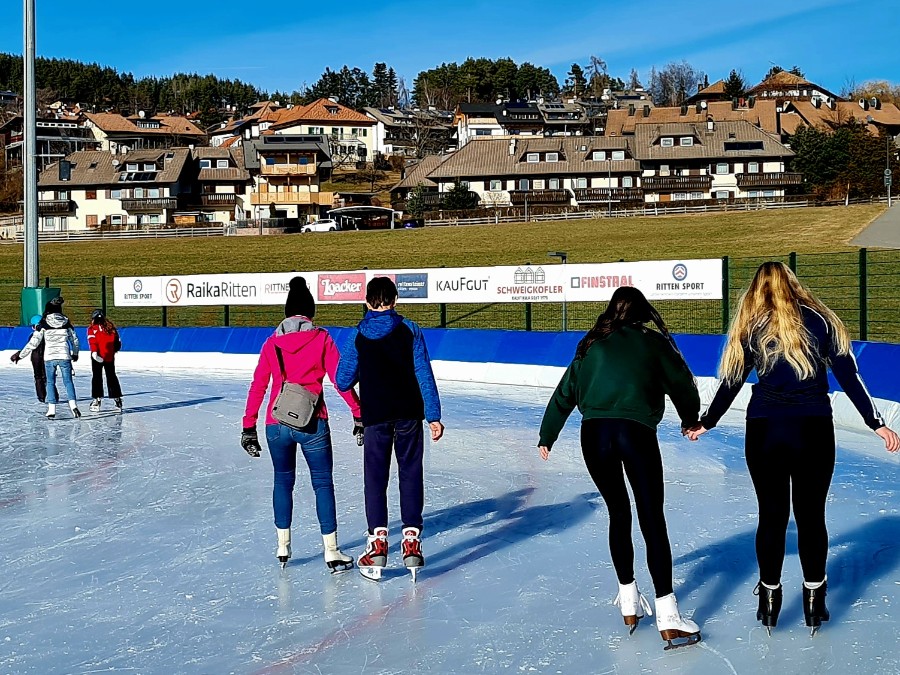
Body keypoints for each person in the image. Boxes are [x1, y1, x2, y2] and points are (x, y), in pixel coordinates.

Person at [686, 262, 899, 637]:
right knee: (811, 516)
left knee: (771, 516)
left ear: (757, 290)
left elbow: (731, 381)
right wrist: (875, 422)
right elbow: (850, 375)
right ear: (793, 284)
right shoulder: (821, 320)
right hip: (812, 429)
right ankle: (814, 601)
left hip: (765, 430)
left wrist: (708, 420)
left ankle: (769, 599)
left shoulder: (751, 326)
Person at [538, 286, 702, 650]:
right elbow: (681, 385)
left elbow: (566, 391)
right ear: (643, 312)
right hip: (635, 434)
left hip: (593, 436)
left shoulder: (591, 342)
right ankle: (668, 613)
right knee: (651, 517)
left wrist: (547, 434)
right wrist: (690, 419)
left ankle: (628, 601)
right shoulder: (653, 342)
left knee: (618, 513)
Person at [241, 276, 363, 573]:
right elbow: (340, 380)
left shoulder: (272, 343)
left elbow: (258, 385)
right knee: (322, 483)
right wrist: (359, 413)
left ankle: (283, 546)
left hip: (276, 422)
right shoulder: (322, 339)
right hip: (313, 422)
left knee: (283, 481)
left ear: (286, 312)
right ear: (311, 313)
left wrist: (248, 426)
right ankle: (331, 551)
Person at [335, 276, 444, 582]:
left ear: (368, 302)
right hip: (409, 414)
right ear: (395, 301)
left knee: (375, 479)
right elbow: (423, 372)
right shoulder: (410, 330)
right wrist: (433, 415)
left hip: (376, 417)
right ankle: (411, 541)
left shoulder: (358, 334)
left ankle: (378, 542)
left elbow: (343, 379)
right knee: (410, 473)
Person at [10, 296, 80, 419]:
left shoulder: (43, 323)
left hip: (50, 357)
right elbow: (74, 339)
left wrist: (20, 355)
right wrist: (75, 353)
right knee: (68, 382)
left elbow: (34, 342)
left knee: (50, 382)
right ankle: (73, 406)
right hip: (64, 355)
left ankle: (51, 410)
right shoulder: (66, 321)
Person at [12, 314, 59, 404]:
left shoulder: (33, 336)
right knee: (48, 377)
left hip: (36, 358)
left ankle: (41, 397)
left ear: (35, 326)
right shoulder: (50, 334)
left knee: (38, 377)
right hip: (47, 357)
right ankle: (54, 396)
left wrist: (20, 355)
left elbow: (29, 347)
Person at [87, 309, 123, 413]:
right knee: (111, 376)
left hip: (97, 356)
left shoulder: (92, 329)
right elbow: (118, 342)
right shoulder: (111, 328)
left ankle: (97, 400)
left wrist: (94, 353)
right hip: (109, 356)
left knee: (97, 377)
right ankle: (117, 399)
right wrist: (113, 351)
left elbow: (92, 342)